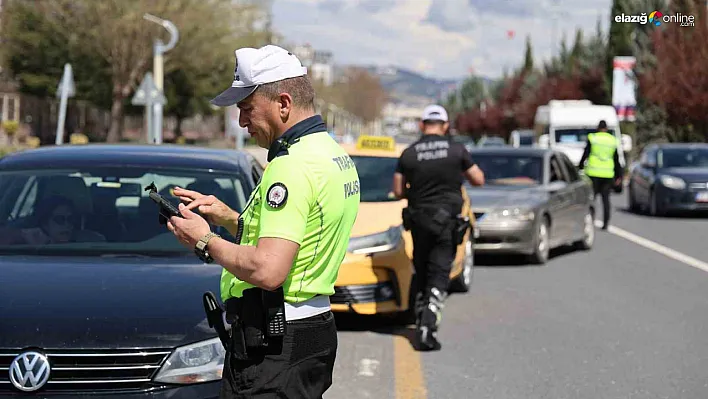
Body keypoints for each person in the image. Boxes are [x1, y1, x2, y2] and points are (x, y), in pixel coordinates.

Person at [166, 44, 360, 398]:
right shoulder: (331, 154)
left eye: (247, 109)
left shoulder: (290, 166)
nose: (242, 122)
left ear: (284, 103)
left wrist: (204, 239)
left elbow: (269, 270)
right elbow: (299, 237)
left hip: (274, 344)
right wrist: (229, 219)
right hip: (309, 332)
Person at [392, 104, 485, 351]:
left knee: (422, 270)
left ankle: (420, 316)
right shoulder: (457, 151)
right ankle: (428, 326)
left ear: (422, 125)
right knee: (439, 272)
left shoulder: (409, 153)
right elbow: (479, 179)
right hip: (446, 223)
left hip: (419, 222)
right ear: (445, 126)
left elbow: (399, 190)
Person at [578, 120, 623, 230]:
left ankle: (590, 222)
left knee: (591, 199)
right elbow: (616, 160)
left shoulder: (593, 138)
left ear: (598, 128)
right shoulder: (612, 140)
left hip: (593, 173)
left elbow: (586, 154)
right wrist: (619, 176)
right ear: (606, 129)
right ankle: (606, 223)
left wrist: (580, 167)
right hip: (607, 174)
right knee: (606, 200)